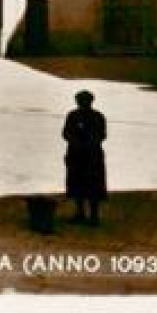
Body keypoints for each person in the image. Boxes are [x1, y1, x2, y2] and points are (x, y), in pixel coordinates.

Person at [62, 89, 107, 225]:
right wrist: (77, 143)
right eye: (80, 101)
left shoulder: (97, 116)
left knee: (92, 184)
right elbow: (65, 133)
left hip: (91, 156)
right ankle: (80, 213)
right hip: (77, 154)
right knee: (77, 183)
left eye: (83, 101)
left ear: (90, 101)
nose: (81, 103)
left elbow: (102, 135)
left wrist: (86, 144)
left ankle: (93, 216)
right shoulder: (73, 115)